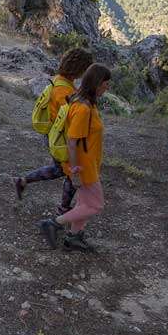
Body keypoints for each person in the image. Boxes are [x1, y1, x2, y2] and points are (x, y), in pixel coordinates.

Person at [38, 64, 111, 252]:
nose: (107, 88)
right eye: (105, 84)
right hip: (83, 167)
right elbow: (72, 140)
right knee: (96, 205)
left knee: (84, 204)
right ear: (97, 84)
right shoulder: (83, 108)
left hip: (88, 164)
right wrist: (75, 170)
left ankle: (73, 238)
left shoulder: (83, 101)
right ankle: (53, 223)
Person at [15, 48, 93, 213]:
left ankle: (22, 181)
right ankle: (63, 209)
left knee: (59, 169)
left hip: (52, 134)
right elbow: (71, 120)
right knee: (72, 172)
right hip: (60, 139)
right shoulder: (65, 92)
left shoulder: (58, 80)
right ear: (80, 69)